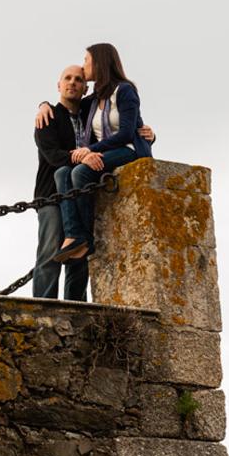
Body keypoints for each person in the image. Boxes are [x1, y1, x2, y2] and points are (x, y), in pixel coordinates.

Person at [32, 62, 154, 300]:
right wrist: (43, 104)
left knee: (79, 252)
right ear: (58, 85)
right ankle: (42, 308)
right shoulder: (48, 117)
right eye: (67, 78)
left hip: (81, 188)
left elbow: (119, 125)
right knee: (49, 253)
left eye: (79, 79)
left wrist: (149, 133)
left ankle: (74, 307)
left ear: (85, 89)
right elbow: (53, 155)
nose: (72, 83)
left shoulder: (91, 110)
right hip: (52, 195)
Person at [49, 43, 152, 264]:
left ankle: (85, 237)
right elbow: (68, 101)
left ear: (99, 62)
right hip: (107, 151)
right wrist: (43, 105)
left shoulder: (124, 90)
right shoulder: (94, 99)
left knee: (81, 173)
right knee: (65, 173)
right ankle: (73, 234)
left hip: (129, 150)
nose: (84, 66)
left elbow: (127, 132)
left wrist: (89, 150)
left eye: (86, 60)